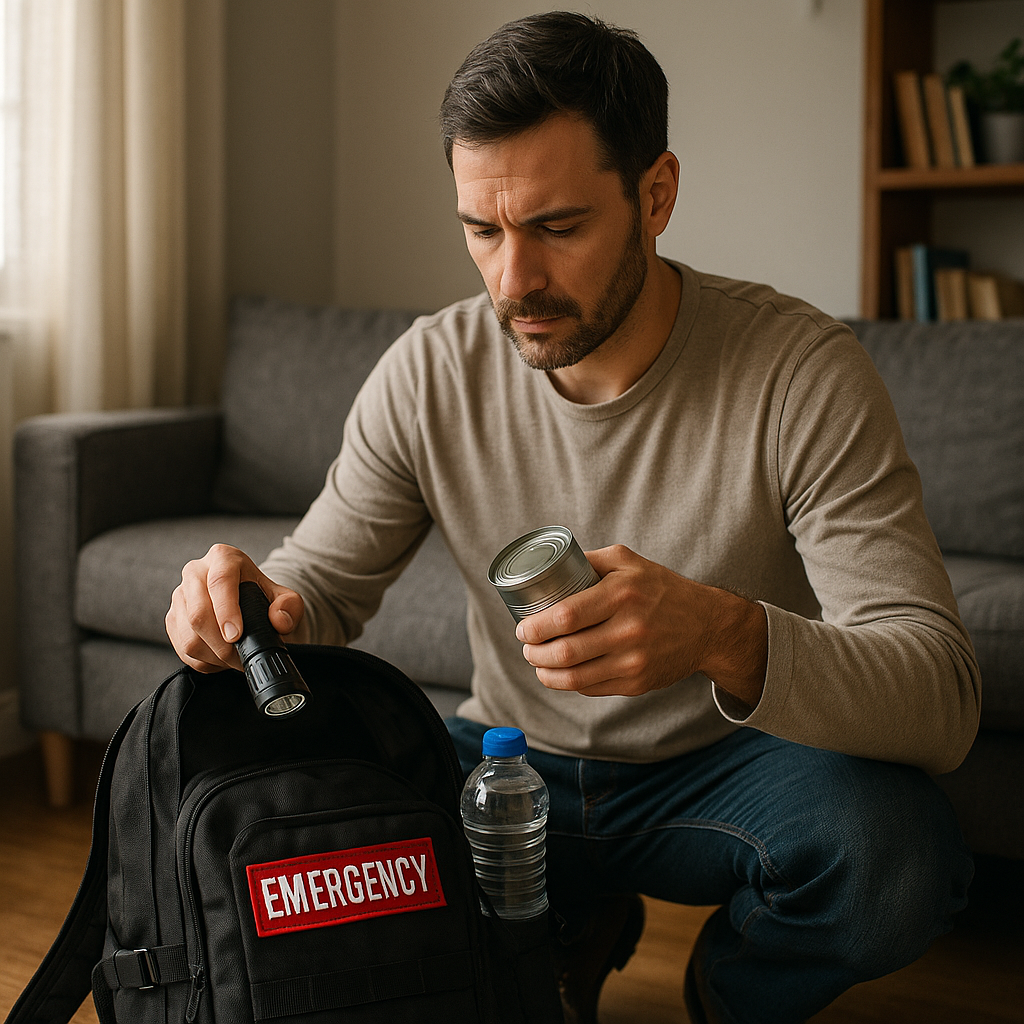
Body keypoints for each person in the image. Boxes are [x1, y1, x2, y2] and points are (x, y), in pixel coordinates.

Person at [166, 12, 979, 1024]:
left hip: (719, 775)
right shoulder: (429, 367)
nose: (514, 282)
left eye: (556, 226)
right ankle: (556, 933)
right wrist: (244, 601)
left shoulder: (799, 372)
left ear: (655, 195)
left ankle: (725, 994)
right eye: (481, 230)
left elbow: (940, 697)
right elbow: (319, 589)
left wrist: (723, 633)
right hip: (503, 767)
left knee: (894, 858)